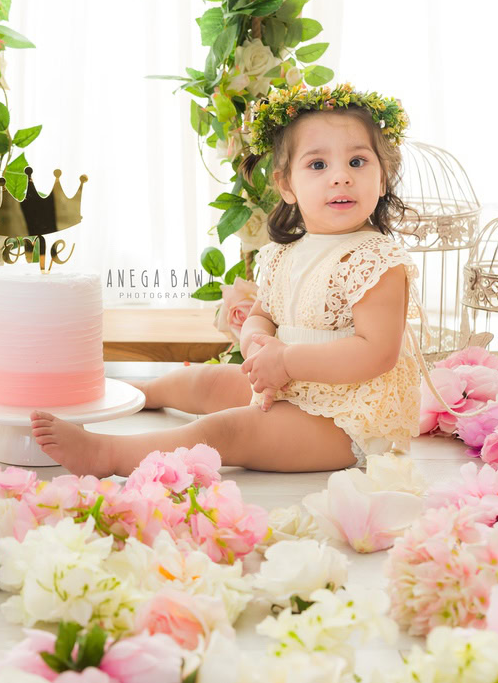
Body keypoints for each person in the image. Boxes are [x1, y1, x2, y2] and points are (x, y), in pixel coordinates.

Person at [31, 84, 421, 476]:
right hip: (289, 383)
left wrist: (285, 360)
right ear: (286, 185)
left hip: (347, 419)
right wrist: (254, 340)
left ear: (384, 177)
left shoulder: (376, 259)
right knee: (210, 381)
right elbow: (262, 314)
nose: (340, 177)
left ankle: (109, 455)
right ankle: (137, 394)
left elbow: (376, 352)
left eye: (357, 162)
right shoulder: (286, 254)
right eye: (318, 165)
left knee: (228, 430)